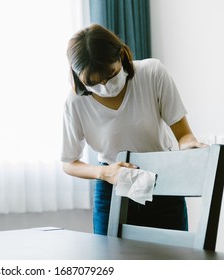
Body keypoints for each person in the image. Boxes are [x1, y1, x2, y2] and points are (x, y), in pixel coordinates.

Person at [61, 24, 207, 235]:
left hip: (164, 182)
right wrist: (105, 172)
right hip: (112, 188)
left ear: (121, 55)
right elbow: (69, 163)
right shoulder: (75, 102)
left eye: (110, 75)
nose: (104, 86)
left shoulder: (152, 73)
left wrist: (191, 147)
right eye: (93, 83)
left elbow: (184, 135)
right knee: (113, 261)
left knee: (172, 262)